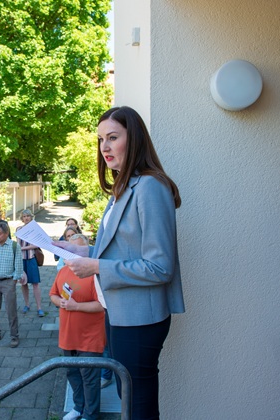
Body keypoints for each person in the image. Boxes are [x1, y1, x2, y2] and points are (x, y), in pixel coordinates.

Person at [54, 106, 185, 419]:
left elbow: (160, 266)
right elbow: (122, 250)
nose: (105, 147)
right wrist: (85, 254)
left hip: (141, 318)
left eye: (113, 137)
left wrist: (98, 267)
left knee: (137, 404)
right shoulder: (123, 188)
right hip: (118, 312)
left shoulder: (150, 186)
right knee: (128, 397)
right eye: (101, 140)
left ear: (134, 139)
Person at [50, 234, 105, 420]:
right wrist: (60, 302)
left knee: (89, 378)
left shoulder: (94, 274)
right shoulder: (63, 271)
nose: (71, 256)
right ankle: (78, 407)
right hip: (68, 335)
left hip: (90, 336)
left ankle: (91, 414)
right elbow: (53, 294)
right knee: (73, 374)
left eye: (76, 251)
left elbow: (102, 306)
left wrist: (76, 306)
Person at [16, 209, 44, 317]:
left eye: (28, 216)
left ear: (31, 217)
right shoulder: (19, 229)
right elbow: (18, 245)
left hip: (32, 259)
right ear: (22, 219)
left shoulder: (35, 229)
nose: (26, 218)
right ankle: (27, 305)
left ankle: (39, 307)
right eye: (24, 216)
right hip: (22, 260)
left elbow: (35, 245)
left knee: (35, 283)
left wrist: (22, 248)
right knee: (23, 283)